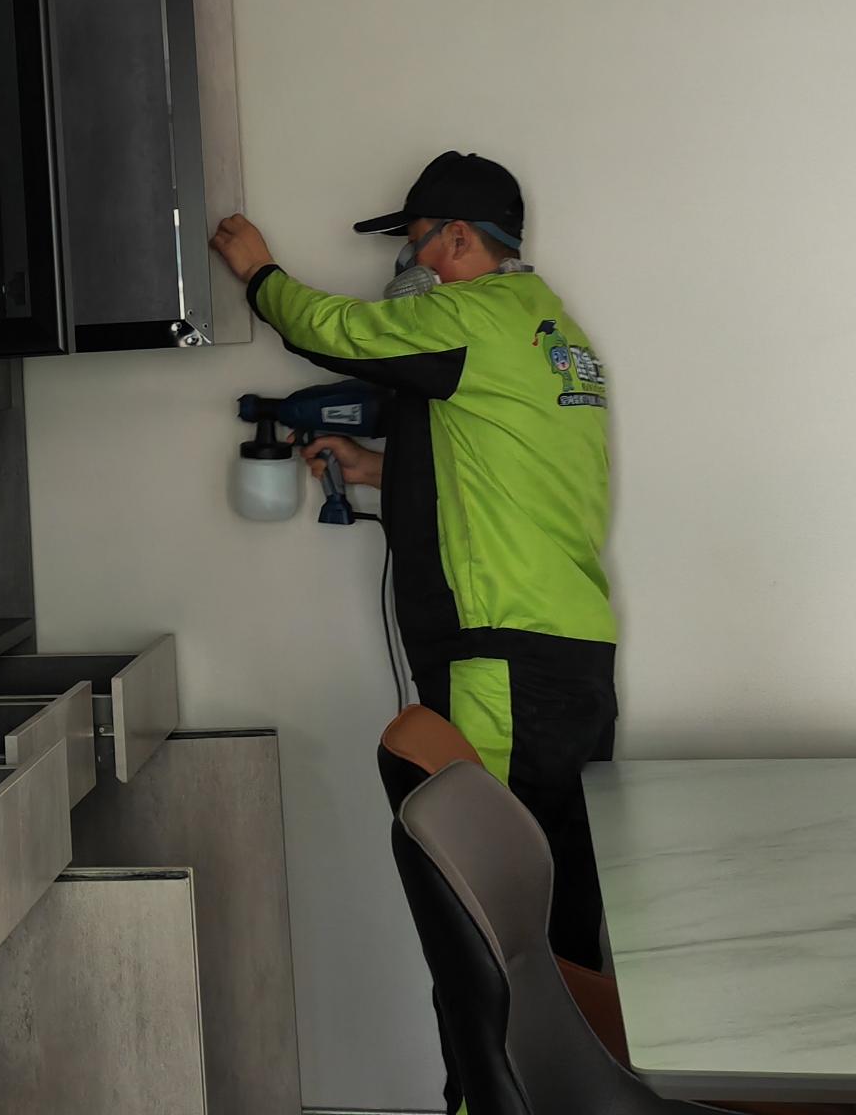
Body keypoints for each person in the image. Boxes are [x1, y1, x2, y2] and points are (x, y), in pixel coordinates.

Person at [210, 151, 618, 980]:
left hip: (503, 659)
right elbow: (503, 469)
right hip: (563, 653)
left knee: (494, 912)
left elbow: (340, 332)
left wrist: (259, 275)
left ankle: (505, 1064)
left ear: (460, 238)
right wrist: (377, 470)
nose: (407, 263)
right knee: (561, 901)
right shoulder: (549, 333)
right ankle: (574, 1055)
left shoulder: (473, 316)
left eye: (416, 242)